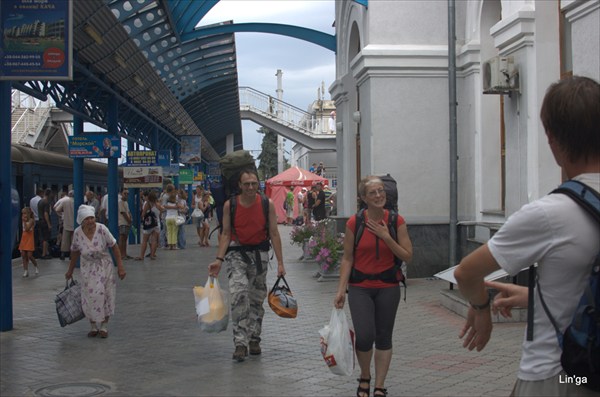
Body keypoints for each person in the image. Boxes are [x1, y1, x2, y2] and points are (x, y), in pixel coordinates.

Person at [454, 76, 600, 397]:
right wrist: (533, 297)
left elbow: (466, 273)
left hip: (561, 376)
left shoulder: (551, 213)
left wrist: (481, 309)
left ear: (552, 139)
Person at [333, 176, 413, 397]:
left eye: (381, 191)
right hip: (360, 287)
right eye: (373, 193)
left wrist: (386, 236)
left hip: (388, 286)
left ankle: (379, 385)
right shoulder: (354, 223)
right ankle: (365, 375)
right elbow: (347, 258)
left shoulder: (397, 221)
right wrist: (341, 289)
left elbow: (408, 256)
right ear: (363, 198)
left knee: (384, 337)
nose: (379, 196)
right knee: (365, 335)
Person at [208, 168, 286, 362]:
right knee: (238, 295)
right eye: (247, 184)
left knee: (256, 300)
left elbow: (274, 233)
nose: (251, 187)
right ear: (240, 186)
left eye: (254, 183)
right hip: (237, 254)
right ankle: (240, 343)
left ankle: (254, 338)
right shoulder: (230, 205)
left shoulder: (267, 204)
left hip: (259, 255)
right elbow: (226, 234)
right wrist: (218, 259)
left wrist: (281, 264)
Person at [65, 205, 126, 338]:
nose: (91, 221)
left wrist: (120, 266)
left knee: (106, 294)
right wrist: (70, 270)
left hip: (104, 266)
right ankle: (93, 326)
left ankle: (104, 326)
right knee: (90, 296)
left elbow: (114, 247)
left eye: (92, 218)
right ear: (82, 220)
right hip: (88, 268)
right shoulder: (77, 233)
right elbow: (74, 252)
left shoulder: (102, 229)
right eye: (87, 219)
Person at [136, 191, 162, 260]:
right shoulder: (158, 205)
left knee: (145, 240)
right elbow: (161, 213)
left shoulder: (147, 204)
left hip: (148, 224)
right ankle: (152, 255)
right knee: (154, 240)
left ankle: (141, 256)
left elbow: (143, 214)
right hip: (156, 224)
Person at [54, 190, 75, 261]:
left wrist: (62, 215)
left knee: (64, 240)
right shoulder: (77, 201)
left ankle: (62, 254)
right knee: (73, 240)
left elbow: (57, 209)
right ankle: (71, 255)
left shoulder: (65, 201)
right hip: (75, 224)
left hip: (66, 222)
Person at [19, 207, 39, 277]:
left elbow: (27, 229)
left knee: (29, 255)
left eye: (25, 213)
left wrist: (24, 221)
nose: (23, 215)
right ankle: (26, 270)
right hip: (24, 238)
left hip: (29, 239)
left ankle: (36, 266)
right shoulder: (23, 220)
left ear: (28, 213)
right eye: (22, 213)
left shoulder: (31, 220)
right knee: (24, 256)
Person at [37, 188, 53, 259]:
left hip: (40, 220)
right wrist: (49, 224)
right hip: (44, 222)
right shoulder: (46, 202)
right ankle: (44, 254)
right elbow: (46, 213)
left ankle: (46, 252)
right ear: (49, 194)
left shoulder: (40, 201)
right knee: (46, 238)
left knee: (43, 237)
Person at [118, 188, 132, 259]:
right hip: (122, 222)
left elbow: (128, 211)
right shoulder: (120, 202)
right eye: (125, 193)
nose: (126, 195)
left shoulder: (126, 202)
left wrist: (130, 218)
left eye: (127, 194)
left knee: (125, 238)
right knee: (122, 238)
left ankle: (124, 253)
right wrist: (129, 220)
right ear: (121, 194)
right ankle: (121, 254)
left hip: (126, 223)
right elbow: (123, 212)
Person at [29, 188, 43, 257]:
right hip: (40, 219)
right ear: (41, 193)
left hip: (34, 220)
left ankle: (34, 251)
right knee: (41, 236)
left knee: (35, 237)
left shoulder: (32, 200)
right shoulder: (40, 200)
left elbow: (31, 210)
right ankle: (39, 252)